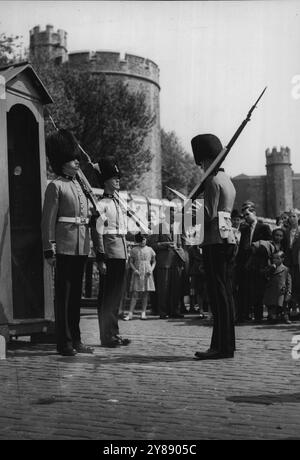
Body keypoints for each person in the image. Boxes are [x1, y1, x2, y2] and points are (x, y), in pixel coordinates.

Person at [41, 129, 94, 356]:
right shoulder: (56, 186)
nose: (77, 162)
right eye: (73, 159)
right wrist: (48, 248)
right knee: (63, 296)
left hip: (81, 245)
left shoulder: (79, 185)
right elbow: (48, 221)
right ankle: (64, 342)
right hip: (63, 245)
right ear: (63, 162)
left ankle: (77, 339)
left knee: (75, 297)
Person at [191, 134, 236, 360]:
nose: (201, 167)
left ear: (206, 160)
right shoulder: (227, 179)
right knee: (225, 293)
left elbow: (207, 215)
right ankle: (227, 345)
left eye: (201, 163)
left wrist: (189, 210)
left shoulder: (212, 181)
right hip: (228, 238)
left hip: (214, 240)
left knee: (217, 296)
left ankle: (219, 346)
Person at [91, 157, 131, 348]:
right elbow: (97, 233)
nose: (117, 180)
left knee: (115, 297)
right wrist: (100, 258)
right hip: (109, 254)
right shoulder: (102, 204)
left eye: (117, 177)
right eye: (113, 177)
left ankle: (114, 333)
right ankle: (106, 336)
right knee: (107, 297)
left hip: (121, 253)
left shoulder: (118, 202)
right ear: (105, 180)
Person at [236, 203, 272, 323]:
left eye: (248, 214)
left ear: (254, 213)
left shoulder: (263, 227)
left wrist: (256, 249)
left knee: (258, 291)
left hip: (258, 264)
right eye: (244, 215)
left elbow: (268, 246)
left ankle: (258, 317)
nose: (245, 217)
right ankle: (244, 315)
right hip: (246, 264)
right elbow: (241, 248)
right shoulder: (245, 229)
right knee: (245, 290)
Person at [124, 233, 156, 321]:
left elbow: (154, 261)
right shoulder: (134, 250)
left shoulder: (150, 249)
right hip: (138, 272)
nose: (143, 241)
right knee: (135, 293)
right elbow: (130, 262)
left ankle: (143, 312)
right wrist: (135, 270)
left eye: (144, 239)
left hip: (147, 272)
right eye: (141, 240)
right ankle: (130, 313)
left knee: (145, 293)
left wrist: (151, 270)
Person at [263, 251, 292, 324]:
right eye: (274, 258)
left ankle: (285, 316)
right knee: (272, 306)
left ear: (282, 259)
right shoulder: (270, 268)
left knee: (283, 305)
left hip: (281, 291)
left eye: (277, 258)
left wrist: (289, 291)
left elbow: (289, 281)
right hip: (272, 291)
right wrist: (271, 268)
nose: (275, 260)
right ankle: (272, 317)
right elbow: (266, 275)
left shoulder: (285, 269)